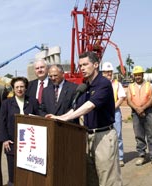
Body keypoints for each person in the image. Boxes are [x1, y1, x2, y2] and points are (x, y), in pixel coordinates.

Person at [46, 51, 122, 186]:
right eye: (80, 65)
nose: (82, 68)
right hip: (88, 136)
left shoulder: (103, 83)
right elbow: (76, 107)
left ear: (96, 65)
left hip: (103, 136)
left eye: (85, 64)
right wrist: (59, 117)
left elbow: (89, 106)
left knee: (108, 178)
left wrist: (65, 119)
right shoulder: (85, 85)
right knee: (91, 177)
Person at [0, 77, 39, 186]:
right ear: (13, 89)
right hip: (12, 142)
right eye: (17, 87)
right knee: (13, 172)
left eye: (22, 87)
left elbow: (39, 119)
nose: (19, 89)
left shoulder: (33, 102)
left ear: (26, 88)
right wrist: (5, 139)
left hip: (30, 143)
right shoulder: (6, 103)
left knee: (28, 171)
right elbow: (2, 122)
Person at [127, 65, 152, 166]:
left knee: (151, 134)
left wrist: (143, 108)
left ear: (142, 75)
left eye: (139, 75)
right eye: (136, 75)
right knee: (139, 135)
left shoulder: (149, 85)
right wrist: (137, 109)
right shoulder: (130, 86)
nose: (138, 76)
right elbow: (129, 100)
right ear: (134, 75)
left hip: (149, 112)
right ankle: (142, 155)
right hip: (135, 113)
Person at [102, 61, 126, 167]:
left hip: (115, 112)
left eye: (110, 72)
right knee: (105, 136)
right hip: (103, 112)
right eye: (106, 72)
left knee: (118, 135)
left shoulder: (117, 84)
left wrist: (112, 108)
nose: (109, 74)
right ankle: (108, 157)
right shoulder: (100, 84)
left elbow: (121, 98)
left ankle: (120, 157)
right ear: (102, 73)